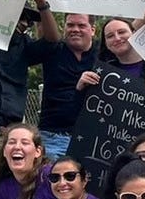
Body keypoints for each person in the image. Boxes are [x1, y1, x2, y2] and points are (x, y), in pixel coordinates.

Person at [29, 11, 100, 159]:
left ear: (93, 30)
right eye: (70, 25)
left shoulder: (103, 55)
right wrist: (42, 4)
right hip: (52, 136)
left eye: (81, 25)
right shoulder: (53, 49)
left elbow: (129, 36)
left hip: (91, 139)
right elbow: (43, 27)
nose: (75, 29)